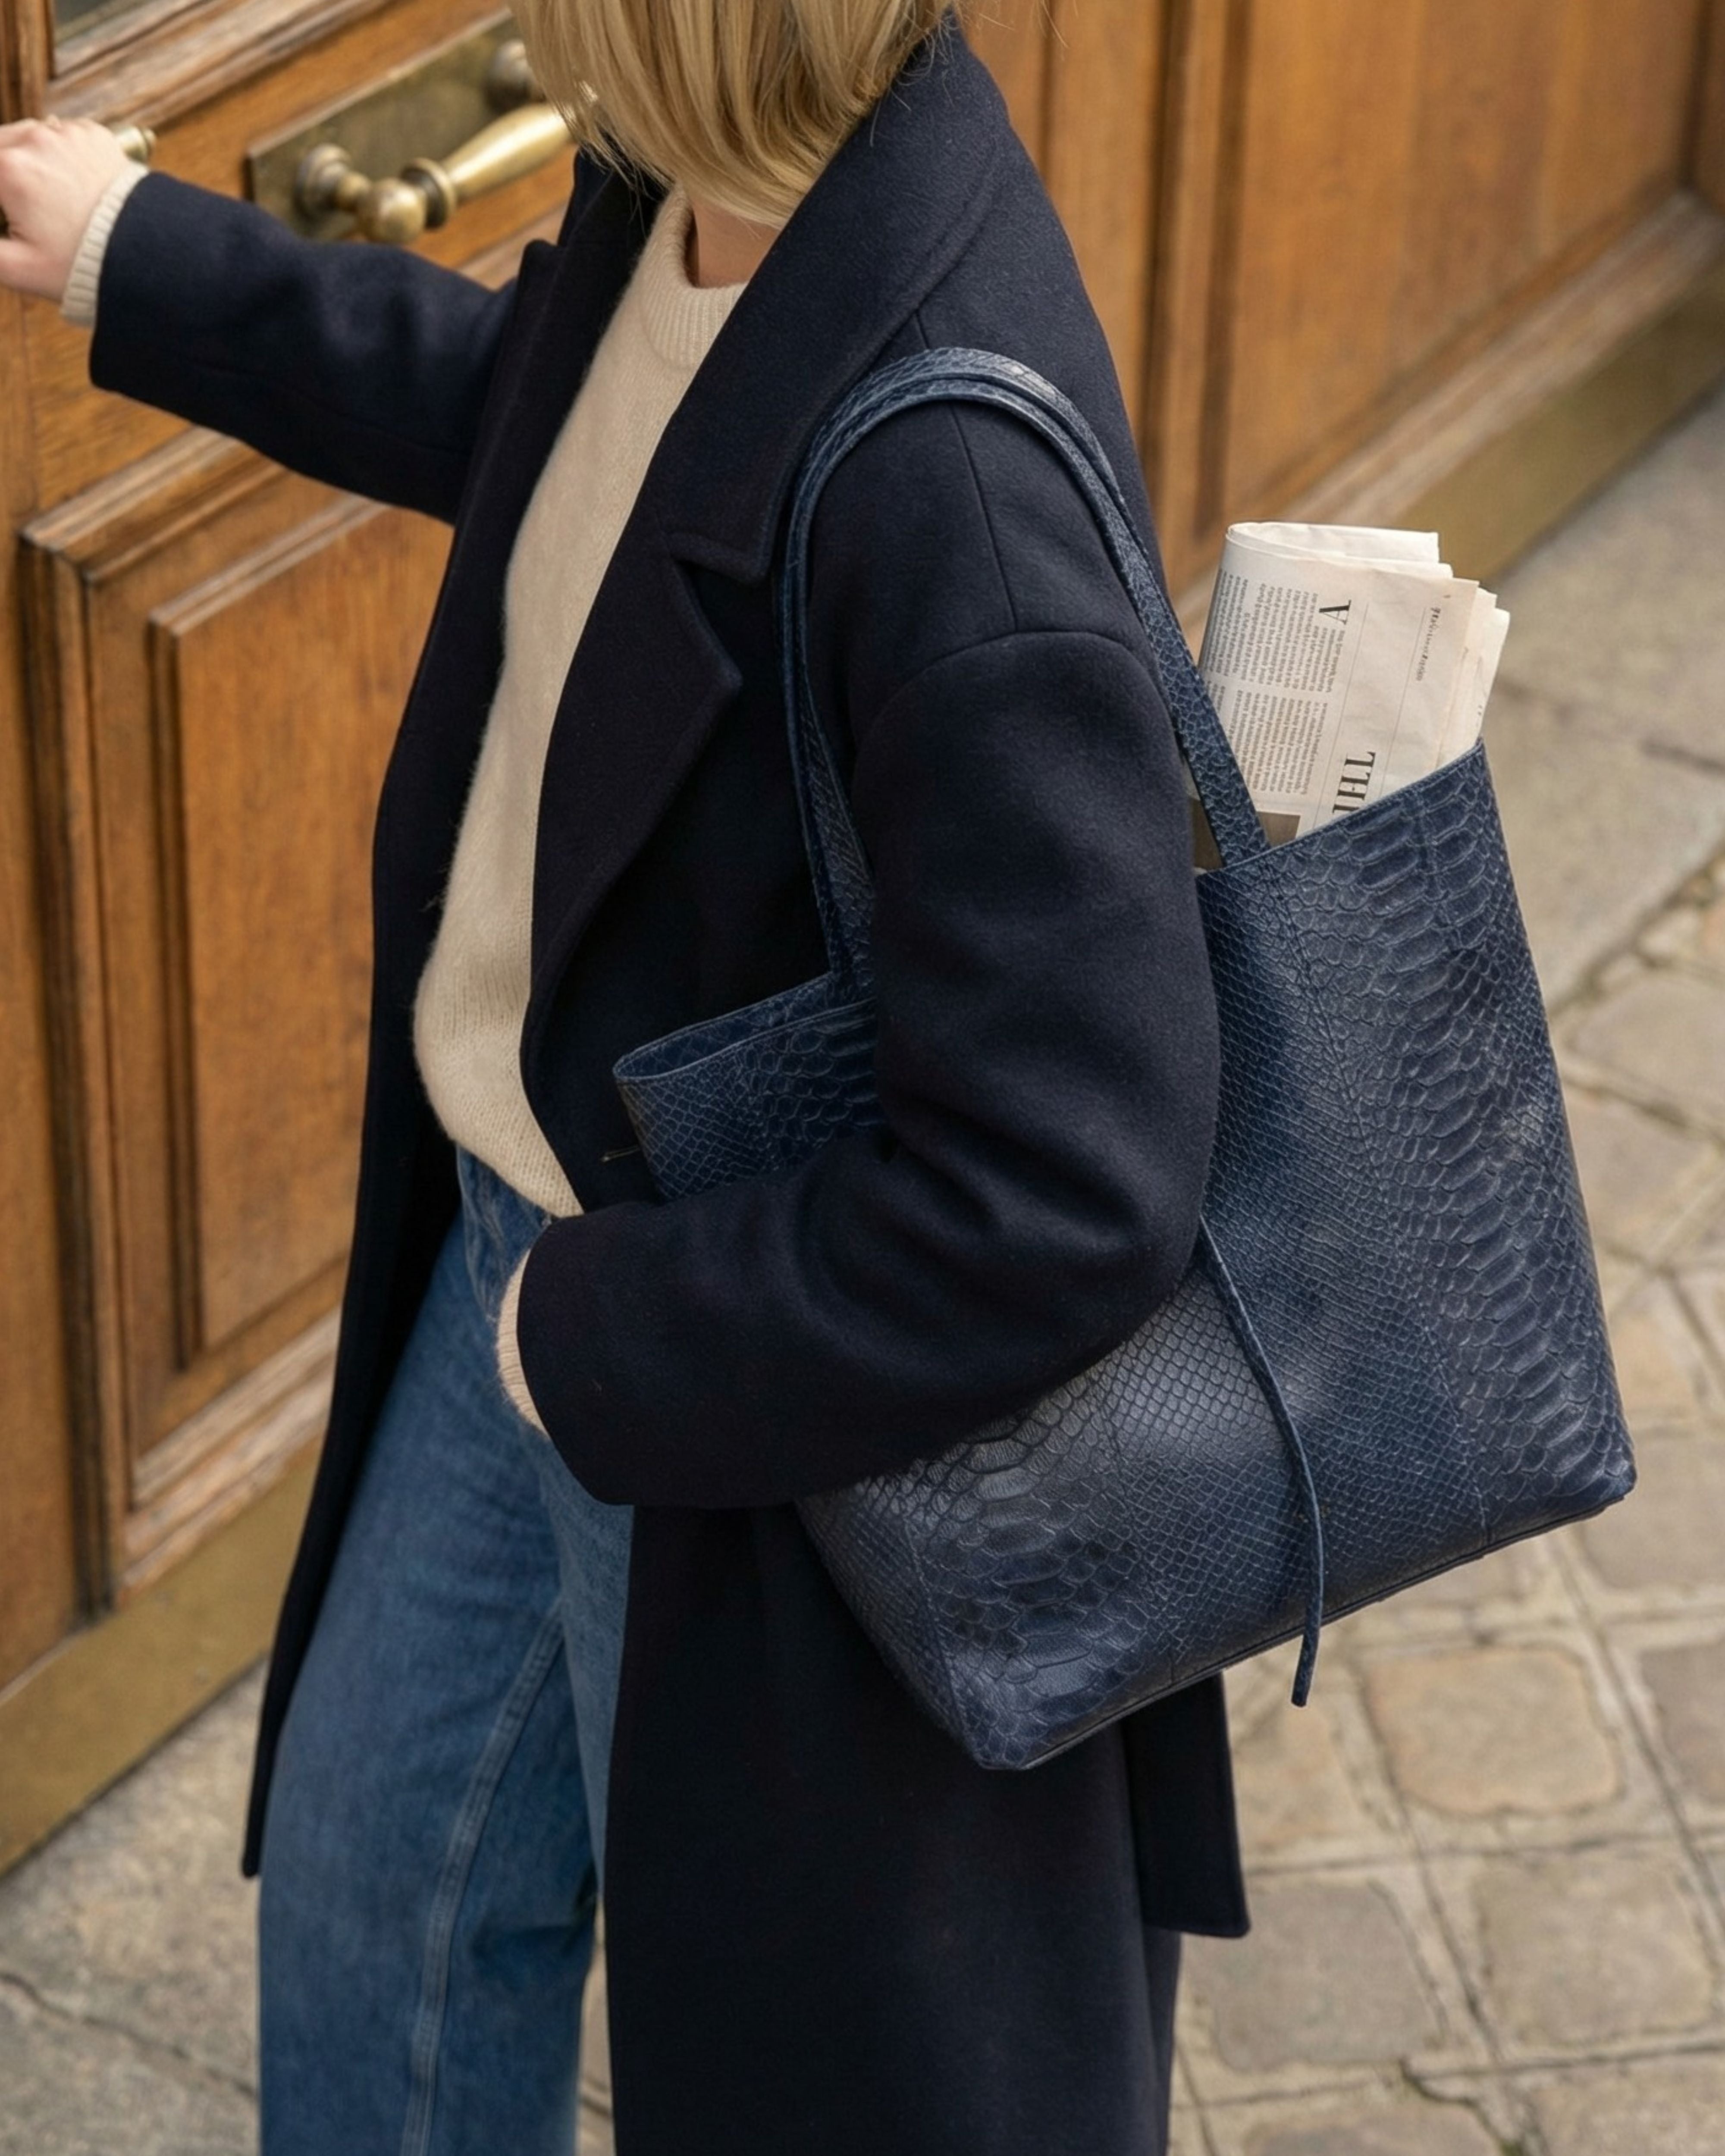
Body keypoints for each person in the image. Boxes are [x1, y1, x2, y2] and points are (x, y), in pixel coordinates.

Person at [0, 6, 1248, 2150]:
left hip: (721, 1358)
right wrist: (143, 251)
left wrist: (592, 1335)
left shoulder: (958, 488)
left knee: (774, 2049)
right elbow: (543, 425)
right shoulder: (692, 205)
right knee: (378, 1904)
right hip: (531, 1248)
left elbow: (1073, 1179)